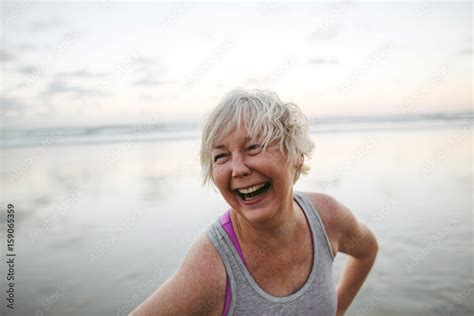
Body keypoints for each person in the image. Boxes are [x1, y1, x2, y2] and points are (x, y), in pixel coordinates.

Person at [131, 89, 378, 315]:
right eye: (221, 156)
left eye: (254, 147)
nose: (237, 169)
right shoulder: (213, 265)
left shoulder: (327, 217)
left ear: (297, 158)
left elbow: (367, 251)